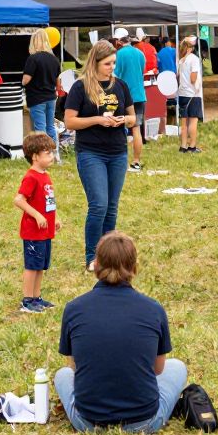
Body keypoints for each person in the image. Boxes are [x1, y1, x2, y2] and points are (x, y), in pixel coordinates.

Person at [55, 231, 188, 434]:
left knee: (62, 374)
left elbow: (74, 366)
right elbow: (158, 369)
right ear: (134, 267)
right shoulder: (153, 309)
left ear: (96, 264)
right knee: (177, 366)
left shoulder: (74, 308)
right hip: (145, 421)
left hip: (88, 422)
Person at [64, 40, 136, 270]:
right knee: (99, 205)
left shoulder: (121, 86)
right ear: (94, 63)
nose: (111, 67)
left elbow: (134, 117)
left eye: (114, 63)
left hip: (117, 151)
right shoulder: (80, 87)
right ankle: (91, 257)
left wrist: (123, 120)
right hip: (91, 152)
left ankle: (110, 257)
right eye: (107, 63)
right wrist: (97, 120)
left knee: (112, 206)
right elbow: (69, 121)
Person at [13, 131, 61, 313]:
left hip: (45, 232)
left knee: (40, 266)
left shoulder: (45, 176)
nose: (52, 156)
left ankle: (36, 297)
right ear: (34, 157)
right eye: (47, 153)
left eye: (52, 152)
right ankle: (27, 300)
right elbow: (19, 200)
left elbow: (48, 203)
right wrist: (37, 216)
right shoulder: (31, 177)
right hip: (33, 232)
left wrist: (54, 218)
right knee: (32, 266)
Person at [112, 28, 147, 171]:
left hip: (124, 97)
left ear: (119, 41)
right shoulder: (140, 53)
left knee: (120, 129)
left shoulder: (119, 55)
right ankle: (136, 161)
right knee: (136, 129)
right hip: (140, 95)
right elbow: (143, 71)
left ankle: (121, 161)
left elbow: (115, 76)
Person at [22, 29, 60, 143]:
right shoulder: (54, 59)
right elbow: (58, 83)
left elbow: (26, 80)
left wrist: (22, 81)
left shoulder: (33, 58)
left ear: (33, 42)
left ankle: (43, 153)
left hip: (36, 98)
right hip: (51, 98)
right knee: (51, 127)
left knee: (40, 129)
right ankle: (55, 154)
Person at [176, 38, 202, 153]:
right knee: (193, 121)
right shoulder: (194, 59)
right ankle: (192, 146)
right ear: (190, 48)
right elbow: (193, 78)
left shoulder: (181, 61)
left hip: (182, 93)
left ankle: (183, 146)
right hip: (193, 94)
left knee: (184, 122)